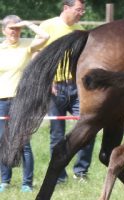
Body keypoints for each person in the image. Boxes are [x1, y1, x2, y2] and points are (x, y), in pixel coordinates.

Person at [33, 0, 93, 183]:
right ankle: (59, 176)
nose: (81, 13)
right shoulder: (48, 26)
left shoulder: (80, 29)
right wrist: (46, 80)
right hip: (55, 87)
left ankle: (81, 172)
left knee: (87, 130)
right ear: (66, 8)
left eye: (83, 10)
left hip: (76, 87)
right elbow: (37, 54)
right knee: (57, 135)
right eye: (78, 9)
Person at [0, 15, 49, 192]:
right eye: (11, 28)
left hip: (21, 101)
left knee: (23, 143)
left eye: (18, 28)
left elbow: (45, 37)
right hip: (1, 101)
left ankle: (26, 183)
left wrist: (28, 23)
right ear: (4, 30)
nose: (15, 32)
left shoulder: (26, 45)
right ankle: (5, 180)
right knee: (2, 141)